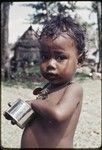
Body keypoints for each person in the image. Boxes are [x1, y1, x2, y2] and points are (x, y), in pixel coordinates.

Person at [21, 14, 86, 148]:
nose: (50, 64)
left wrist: (33, 103)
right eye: (45, 56)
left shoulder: (73, 89)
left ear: (79, 60)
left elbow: (58, 114)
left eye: (60, 57)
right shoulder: (48, 87)